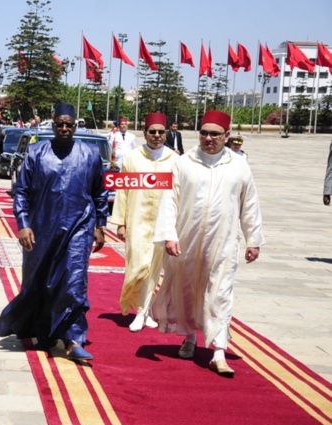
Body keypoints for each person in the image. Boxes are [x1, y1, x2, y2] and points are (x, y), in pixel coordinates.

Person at [152, 110, 264, 378]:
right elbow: (169, 201)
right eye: (204, 133)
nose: (208, 138)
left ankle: (219, 352)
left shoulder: (239, 165)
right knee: (188, 289)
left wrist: (253, 239)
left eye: (215, 134)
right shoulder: (183, 163)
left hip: (223, 242)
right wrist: (169, 235)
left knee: (220, 293)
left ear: (227, 136)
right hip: (186, 240)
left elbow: (249, 203)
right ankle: (189, 337)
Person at [0, 103, 109, 361]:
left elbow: (99, 193)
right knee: (41, 282)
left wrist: (100, 225)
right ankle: (42, 329)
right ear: (53, 123)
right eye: (60, 124)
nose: (65, 128)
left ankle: (72, 340)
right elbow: (21, 191)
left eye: (70, 124)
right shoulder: (37, 152)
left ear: (75, 125)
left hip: (80, 226)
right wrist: (23, 224)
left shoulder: (90, 154)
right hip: (42, 228)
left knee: (74, 282)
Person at [109, 112, 178, 332]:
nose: (156, 136)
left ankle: (143, 311)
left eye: (160, 132)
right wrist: (120, 222)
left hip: (162, 223)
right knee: (137, 266)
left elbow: (179, 195)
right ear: (145, 133)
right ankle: (138, 306)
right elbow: (122, 192)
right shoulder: (132, 158)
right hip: (136, 220)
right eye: (152, 132)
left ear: (165, 133)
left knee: (154, 269)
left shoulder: (175, 161)